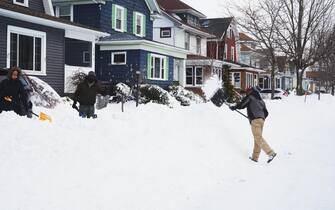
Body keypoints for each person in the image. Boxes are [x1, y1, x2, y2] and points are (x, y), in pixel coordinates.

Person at [230, 86, 277, 163]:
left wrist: (234, 107)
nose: (246, 93)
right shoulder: (261, 101)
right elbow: (266, 113)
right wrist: (260, 117)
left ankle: (270, 153)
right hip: (261, 121)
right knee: (257, 139)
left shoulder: (250, 97)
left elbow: (242, 104)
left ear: (251, 91)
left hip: (255, 121)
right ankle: (255, 158)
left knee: (258, 138)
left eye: (247, 91)